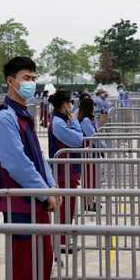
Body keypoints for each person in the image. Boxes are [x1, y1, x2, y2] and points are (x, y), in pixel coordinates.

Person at [0, 56, 57, 280]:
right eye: (26, 77)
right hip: (20, 203)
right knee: (26, 266)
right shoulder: (4, 117)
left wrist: (52, 188)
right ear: (10, 81)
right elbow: (17, 164)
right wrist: (45, 192)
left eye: (33, 76)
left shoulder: (22, 114)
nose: (31, 82)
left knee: (43, 259)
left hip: (35, 200)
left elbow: (38, 158)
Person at [48, 89, 83, 247]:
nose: (71, 105)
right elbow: (78, 140)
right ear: (64, 105)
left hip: (68, 170)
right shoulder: (58, 122)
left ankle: (63, 240)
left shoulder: (60, 120)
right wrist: (74, 119)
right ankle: (61, 242)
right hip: (63, 171)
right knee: (65, 209)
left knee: (69, 207)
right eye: (70, 102)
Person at [78, 96, 99, 211]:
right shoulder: (85, 121)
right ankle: (88, 203)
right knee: (89, 178)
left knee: (91, 178)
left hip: (91, 151)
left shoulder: (88, 119)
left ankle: (90, 201)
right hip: (89, 152)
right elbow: (93, 136)